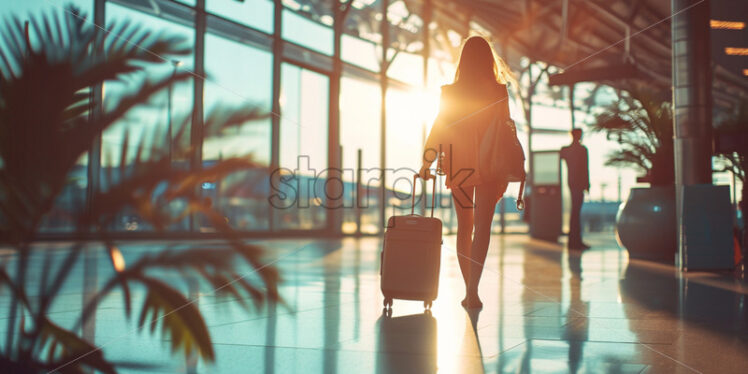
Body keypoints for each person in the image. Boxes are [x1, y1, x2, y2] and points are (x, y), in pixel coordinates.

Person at [419, 36, 516, 309]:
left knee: (465, 226)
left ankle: (468, 289)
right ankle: (473, 289)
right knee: (483, 227)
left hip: (460, 165)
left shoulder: (450, 92)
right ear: (488, 59)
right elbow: (506, 129)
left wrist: (427, 162)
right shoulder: (499, 91)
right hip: (490, 165)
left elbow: (440, 127)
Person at [560, 128, 590, 250]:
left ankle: (574, 241)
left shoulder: (566, 150)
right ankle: (575, 241)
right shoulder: (582, 150)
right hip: (579, 184)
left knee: (574, 212)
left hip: (571, 183)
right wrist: (587, 185)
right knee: (576, 212)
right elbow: (585, 168)